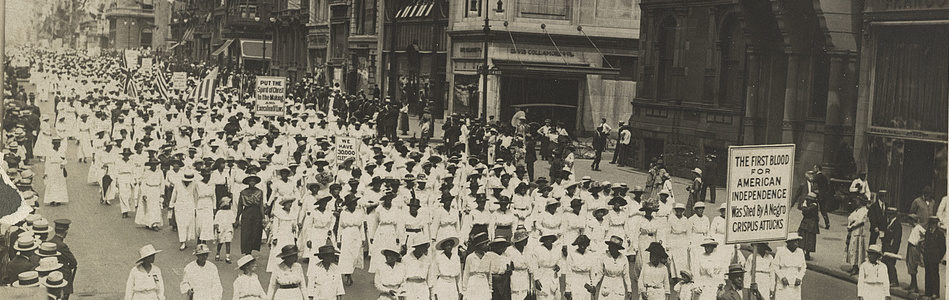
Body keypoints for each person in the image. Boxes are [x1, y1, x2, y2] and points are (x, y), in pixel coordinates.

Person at [48, 219, 76, 300]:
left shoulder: (48, 242)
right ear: (65, 232)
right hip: (62, 278)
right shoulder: (62, 246)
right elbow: (74, 262)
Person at [170, 170, 198, 251]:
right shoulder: (178, 184)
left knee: (189, 223)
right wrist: (171, 205)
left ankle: (186, 239)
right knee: (181, 224)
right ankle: (182, 242)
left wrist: (196, 207)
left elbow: (196, 196)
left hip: (190, 206)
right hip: (179, 206)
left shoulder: (194, 184)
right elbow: (174, 195)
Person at [773, 233, 806, 300]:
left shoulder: (800, 252)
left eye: (797, 241)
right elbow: (775, 266)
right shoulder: (781, 251)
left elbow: (803, 267)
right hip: (784, 281)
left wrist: (799, 278)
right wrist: (782, 277)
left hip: (795, 280)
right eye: (795, 241)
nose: (797, 243)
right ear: (789, 243)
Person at [237, 175, 264, 255]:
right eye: (250, 181)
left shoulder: (259, 192)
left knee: (255, 232)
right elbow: (240, 206)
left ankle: (251, 250)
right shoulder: (243, 192)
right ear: (248, 182)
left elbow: (261, 205)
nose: (252, 182)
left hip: (256, 213)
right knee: (246, 232)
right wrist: (237, 218)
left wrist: (263, 217)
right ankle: (247, 251)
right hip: (247, 213)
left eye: (253, 181)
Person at [922, 215, 945, 298]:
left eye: (932, 223)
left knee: (934, 275)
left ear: (935, 224)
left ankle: (935, 293)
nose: (931, 225)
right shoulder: (928, 232)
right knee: (927, 274)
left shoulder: (940, 234)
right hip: (927, 257)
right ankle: (928, 292)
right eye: (931, 223)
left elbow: (943, 248)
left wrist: (938, 257)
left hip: (934, 258)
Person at [880, 207, 901, 286]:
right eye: (888, 214)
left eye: (890, 214)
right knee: (885, 263)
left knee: (890, 263)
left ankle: (894, 281)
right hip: (886, 246)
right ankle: (888, 279)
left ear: (894, 215)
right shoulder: (889, 223)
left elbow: (897, 239)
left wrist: (893, 249)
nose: (888, 215)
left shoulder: (897, 224)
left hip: (891, 247)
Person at [798, 193, 820, 260]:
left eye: (808, 199)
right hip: (809, 224)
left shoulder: (813, 206)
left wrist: (804, 207)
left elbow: (805, 212)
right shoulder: (813, 205)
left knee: (808, 239)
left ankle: (807, 254)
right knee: (806, 239)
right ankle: (804, 253)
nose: (807, 201)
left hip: (810, 225)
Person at [214, 197, 236, 263]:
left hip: (228, 229)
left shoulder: (230, 212)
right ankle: (217, 254)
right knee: (220, 243)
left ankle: (227, 256)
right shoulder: (219, 212)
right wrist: (217, 229)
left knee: (228, 242)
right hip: (221, 230)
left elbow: (233, 221)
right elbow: (216, 222)